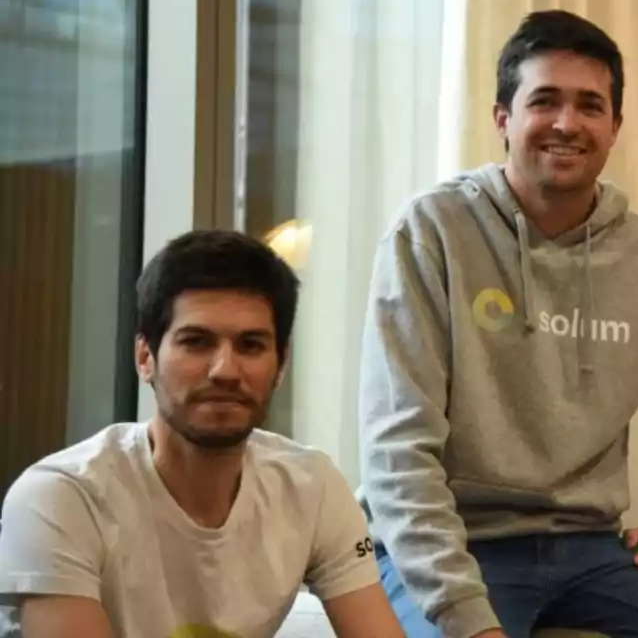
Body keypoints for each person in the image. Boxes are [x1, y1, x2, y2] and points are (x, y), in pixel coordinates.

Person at [359, 9, 638, 638]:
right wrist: (464, 615)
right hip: (453, 542)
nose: (567, 123)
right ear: (503, 118)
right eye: (544, 101)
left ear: (614, 127)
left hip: (593, 550)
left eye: (590, 105)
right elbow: (398, 452)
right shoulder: (432, 233)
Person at [0, 230, 406, 638]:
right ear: (145, 357)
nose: (225, 370)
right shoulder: (63, 497)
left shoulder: (312, 488)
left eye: (251, 345)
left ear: (280, 364)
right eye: (196, 342)